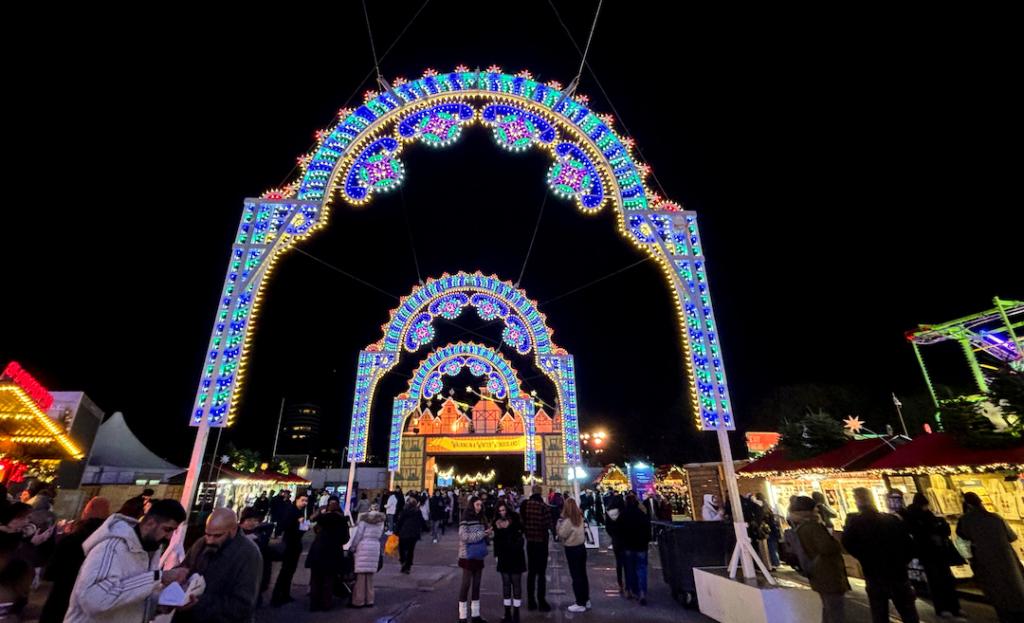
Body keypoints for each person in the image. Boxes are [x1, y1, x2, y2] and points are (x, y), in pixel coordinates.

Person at [64, 499, 189, 623]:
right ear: (150, 523)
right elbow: (94, 600)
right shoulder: (112, 547)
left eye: (173, 531)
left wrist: (164, 604)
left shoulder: (148, 550)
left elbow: (129, 599)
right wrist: (157, 577)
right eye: (167, 529)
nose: (169, 536)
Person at [842, 487, 919, 623]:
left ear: (858, 502)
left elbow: (848, 544)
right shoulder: (891, 520)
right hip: (897, 572)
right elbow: (909, 544)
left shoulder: (855, 524)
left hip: (874, 573)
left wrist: (864, 557)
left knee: (880, 612)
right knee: (907, 612)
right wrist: (903, 561)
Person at [173, 507, 261, 623]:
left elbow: (242, 605)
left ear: (233, 530)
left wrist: (199, 602)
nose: (210, 540)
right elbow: (186, 567)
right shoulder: (201, 542)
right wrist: (176, 575)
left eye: (217, 536)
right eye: (208, 534)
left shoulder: (249, 554)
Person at [39, 496, 111, 623]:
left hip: (61, 597)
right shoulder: (109, 543)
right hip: (89, 603)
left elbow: (50, 573)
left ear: (87, 511)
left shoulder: (71, 539)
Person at [956, 491, 1024, 622]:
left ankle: (1006, 617)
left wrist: (970, 557)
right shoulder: (996, 518)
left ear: (967, 505)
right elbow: (1012, 537)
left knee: (997, 592)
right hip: (1007, 558)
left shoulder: (965, 521)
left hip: (984, 561)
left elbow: (962, 540)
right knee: (1015, 588)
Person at [900, 492, 964, 620]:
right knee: (941, 580)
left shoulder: (913, 516)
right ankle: (950, 607)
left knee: (938, 581)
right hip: (933, 553)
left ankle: (947, 608)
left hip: (929, 553)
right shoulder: (920, 517)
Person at [787, 496, 849, 623]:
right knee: (835, 612)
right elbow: (828, 547)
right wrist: (835, 543)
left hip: (816, 573)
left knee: (828, 609)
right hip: (828, 573)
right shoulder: (813, 527)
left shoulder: (799, 527)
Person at [303, 496, 350, 611]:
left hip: (318, 551)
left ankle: (314, 604)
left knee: (315, 579)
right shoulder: (342, 520)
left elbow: (314, 527)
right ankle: (326, 604)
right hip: (333, 552)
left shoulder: (322, 518)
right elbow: (345, 538)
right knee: (328, 580)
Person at [270, 493, 309, 607]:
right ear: (297, 500)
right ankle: (277, 597)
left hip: (295, 543)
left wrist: (303, 525)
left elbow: (301, 529)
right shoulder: (291, 511)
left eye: (306, 501)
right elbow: (287, 525)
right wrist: (300, 523)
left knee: (290, 570)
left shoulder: (299, 511)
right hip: (290, 543)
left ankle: (285, 594)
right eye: (303, 500)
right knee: (285, 571)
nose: (304, 503)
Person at [458, 497, 492, 623]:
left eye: (480, 505)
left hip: (479, 555)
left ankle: (475, 615)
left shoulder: (482, 518)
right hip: (467, 554)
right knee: (466, 585)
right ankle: (462, 616)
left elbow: (486, 536)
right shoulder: (465, 518)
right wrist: (482, 534)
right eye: (477, 504)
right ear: (472, 505)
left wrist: (489, 533)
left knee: (477, 585)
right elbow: (464, 536)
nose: (479, 507)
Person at [493, 500, 526, 623]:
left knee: (516, 583)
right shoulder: (496, 523)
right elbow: (496, 541)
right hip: (504, 555)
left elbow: (522, 531)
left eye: (504, 510)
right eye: (500, 511)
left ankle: (516, 613)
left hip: (515, 554)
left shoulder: (515, 519)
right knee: (506, 584)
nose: (502, 513)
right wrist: (496, 555)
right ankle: (507, 612)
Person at [346, 504, 385, 608]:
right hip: (375, 546)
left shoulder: (363, 521)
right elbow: (380, 535)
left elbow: (358, 535)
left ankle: (359, 600)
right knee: (370, 576)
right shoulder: (380, 522)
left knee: (361, 577)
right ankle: (370, 599)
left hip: (363, 546)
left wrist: (353, 547)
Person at [519, 485, 551, 612]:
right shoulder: (544, 507)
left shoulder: (525, 505)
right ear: (541, 493)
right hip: (542, 542)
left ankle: (531, 601)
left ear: (532, 492)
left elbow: (521, 522)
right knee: (541, 573)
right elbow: (548, 524)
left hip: (530, 542)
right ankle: (542, 601)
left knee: (531, 572)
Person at [556, 498, 589, 613]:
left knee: (576, 576)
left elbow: (561, 534)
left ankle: (580, 602)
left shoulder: (568, 521)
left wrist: (558, 525)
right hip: (581, 548)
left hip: (572, 549)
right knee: (583, 575)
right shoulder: (580, 517)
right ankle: (586, 599)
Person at [238, 507, 274, 605]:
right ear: (242, 521)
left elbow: (266, 555)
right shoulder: (235, 534)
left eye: (255, 520)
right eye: (249, 520)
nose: (252, 523)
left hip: (257, 574)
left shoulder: (259, 534)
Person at [619, 493, 651, 604]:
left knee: (629, 569)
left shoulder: (623, 514)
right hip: (641, 546)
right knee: (642, 569)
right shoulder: (642, 514)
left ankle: (631, 590)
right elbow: (648, 530)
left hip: (628, 546)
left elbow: (619, 531)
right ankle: (642, 592)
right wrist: (647, 541)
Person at [604, 493, 628, 596]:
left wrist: (613, 535)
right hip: (626, 539)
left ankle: (620, 583)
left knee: (618, 563)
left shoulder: (609, 513)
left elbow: (607, 528)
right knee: (627, 564)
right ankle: (628, 584)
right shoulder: (625, 512)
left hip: (616, 540)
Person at [396, 497, 426, 574]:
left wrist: (396, 531)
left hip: (404, 533)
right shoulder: (418, 511)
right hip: (414, 534)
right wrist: (425, 528)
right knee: (410, 550)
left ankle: (403, 562)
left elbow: (400, 521)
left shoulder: (405, 511)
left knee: (402, 549)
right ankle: (408, 566)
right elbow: (422, 521)